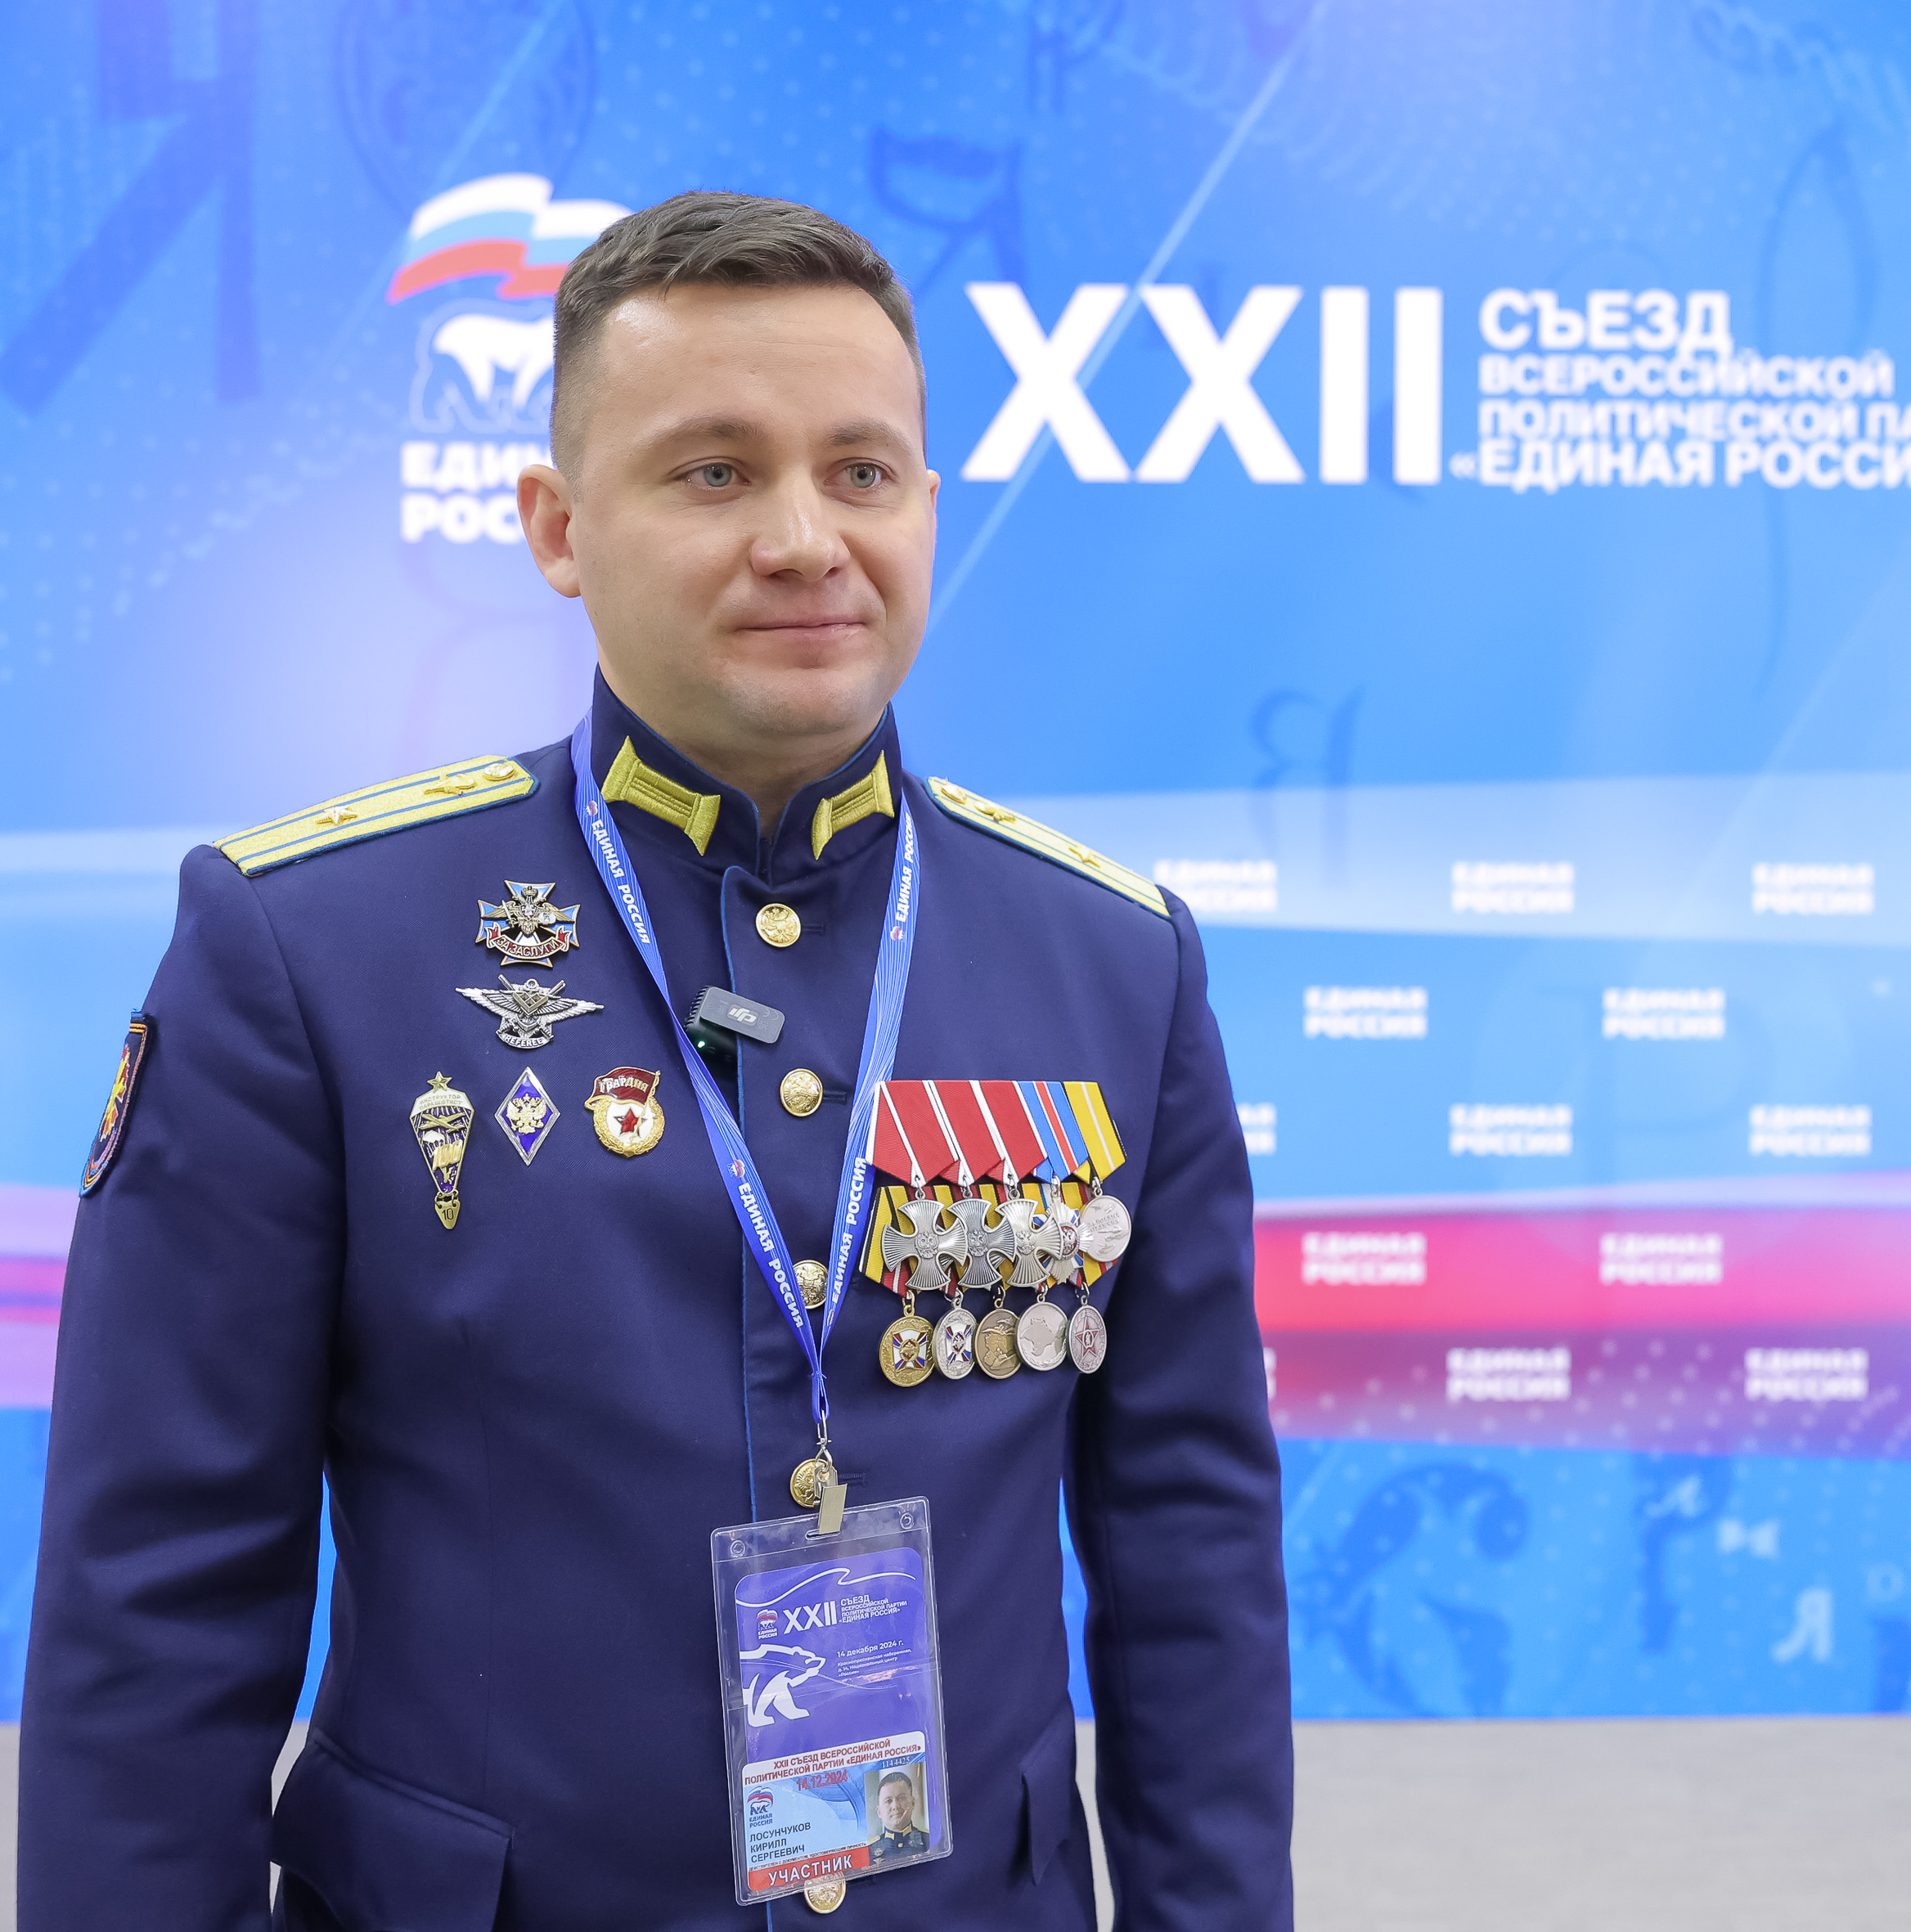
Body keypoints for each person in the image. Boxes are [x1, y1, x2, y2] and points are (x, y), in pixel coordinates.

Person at [22, 192, 1291, 1928]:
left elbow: (1190, 1561)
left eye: (860, 471)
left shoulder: (1114, 961)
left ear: (926, 506)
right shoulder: (309, 948)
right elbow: (159, 1596)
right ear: (557, 527)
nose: (804, 538)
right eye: (713, 472)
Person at [870, 1771, 929, 1856]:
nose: (895, 1806)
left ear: (912, 1803)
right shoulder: (870, 1850)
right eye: (888, 1801)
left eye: (901, 1798)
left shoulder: (929, 1840)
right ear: (879, 1812)